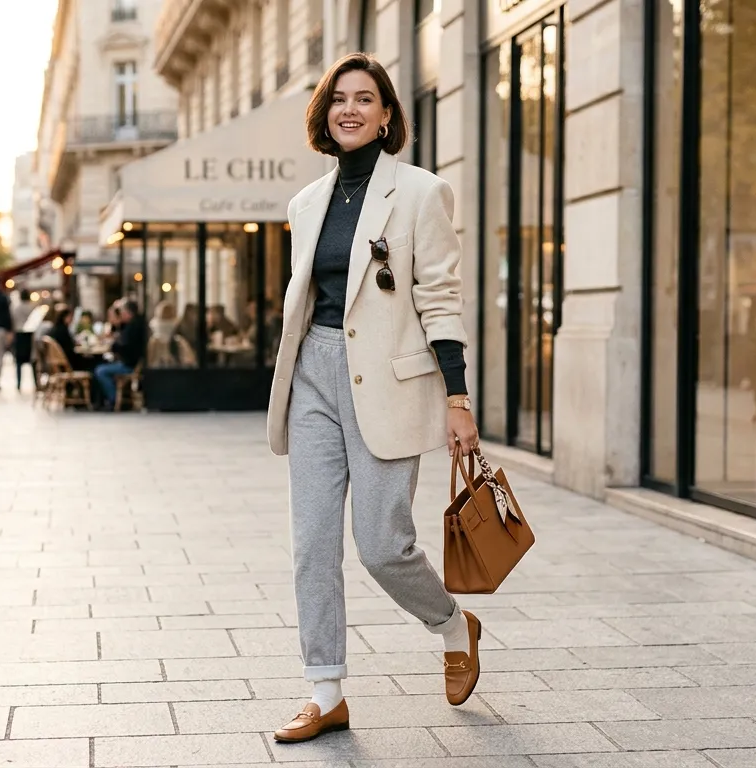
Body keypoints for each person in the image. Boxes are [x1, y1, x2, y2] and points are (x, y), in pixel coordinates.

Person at [265, 54, 482, 743]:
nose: (350, 109)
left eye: (365, 99)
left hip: (388, 381)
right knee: (311, 544)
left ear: (387, 116)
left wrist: (458, 398)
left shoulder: (422, 193)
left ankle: (453, 624)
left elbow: (439, 298)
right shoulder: (305, 203)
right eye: (339, 99)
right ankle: (325, 691)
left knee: (384, 547)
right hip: (314, 375)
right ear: (324, 114)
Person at [93, 299, 147, 410]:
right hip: (130, 362)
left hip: (129, 364)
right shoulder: (133, 325)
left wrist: (113, 346)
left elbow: (126, 348)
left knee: (100, 371)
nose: (121, 315)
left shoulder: (133, 327)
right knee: (102, 366)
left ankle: (113, 399)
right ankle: (107, 399)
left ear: (128, 313)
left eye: (122, 312)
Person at [11, 291, 35, 392]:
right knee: (32, 360)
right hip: (30, 335)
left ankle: (19, 383)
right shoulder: (32, 308)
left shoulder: (16, 308)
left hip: (19, 334)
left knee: (19, 362)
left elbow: (12, 321)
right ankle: (36, 383)